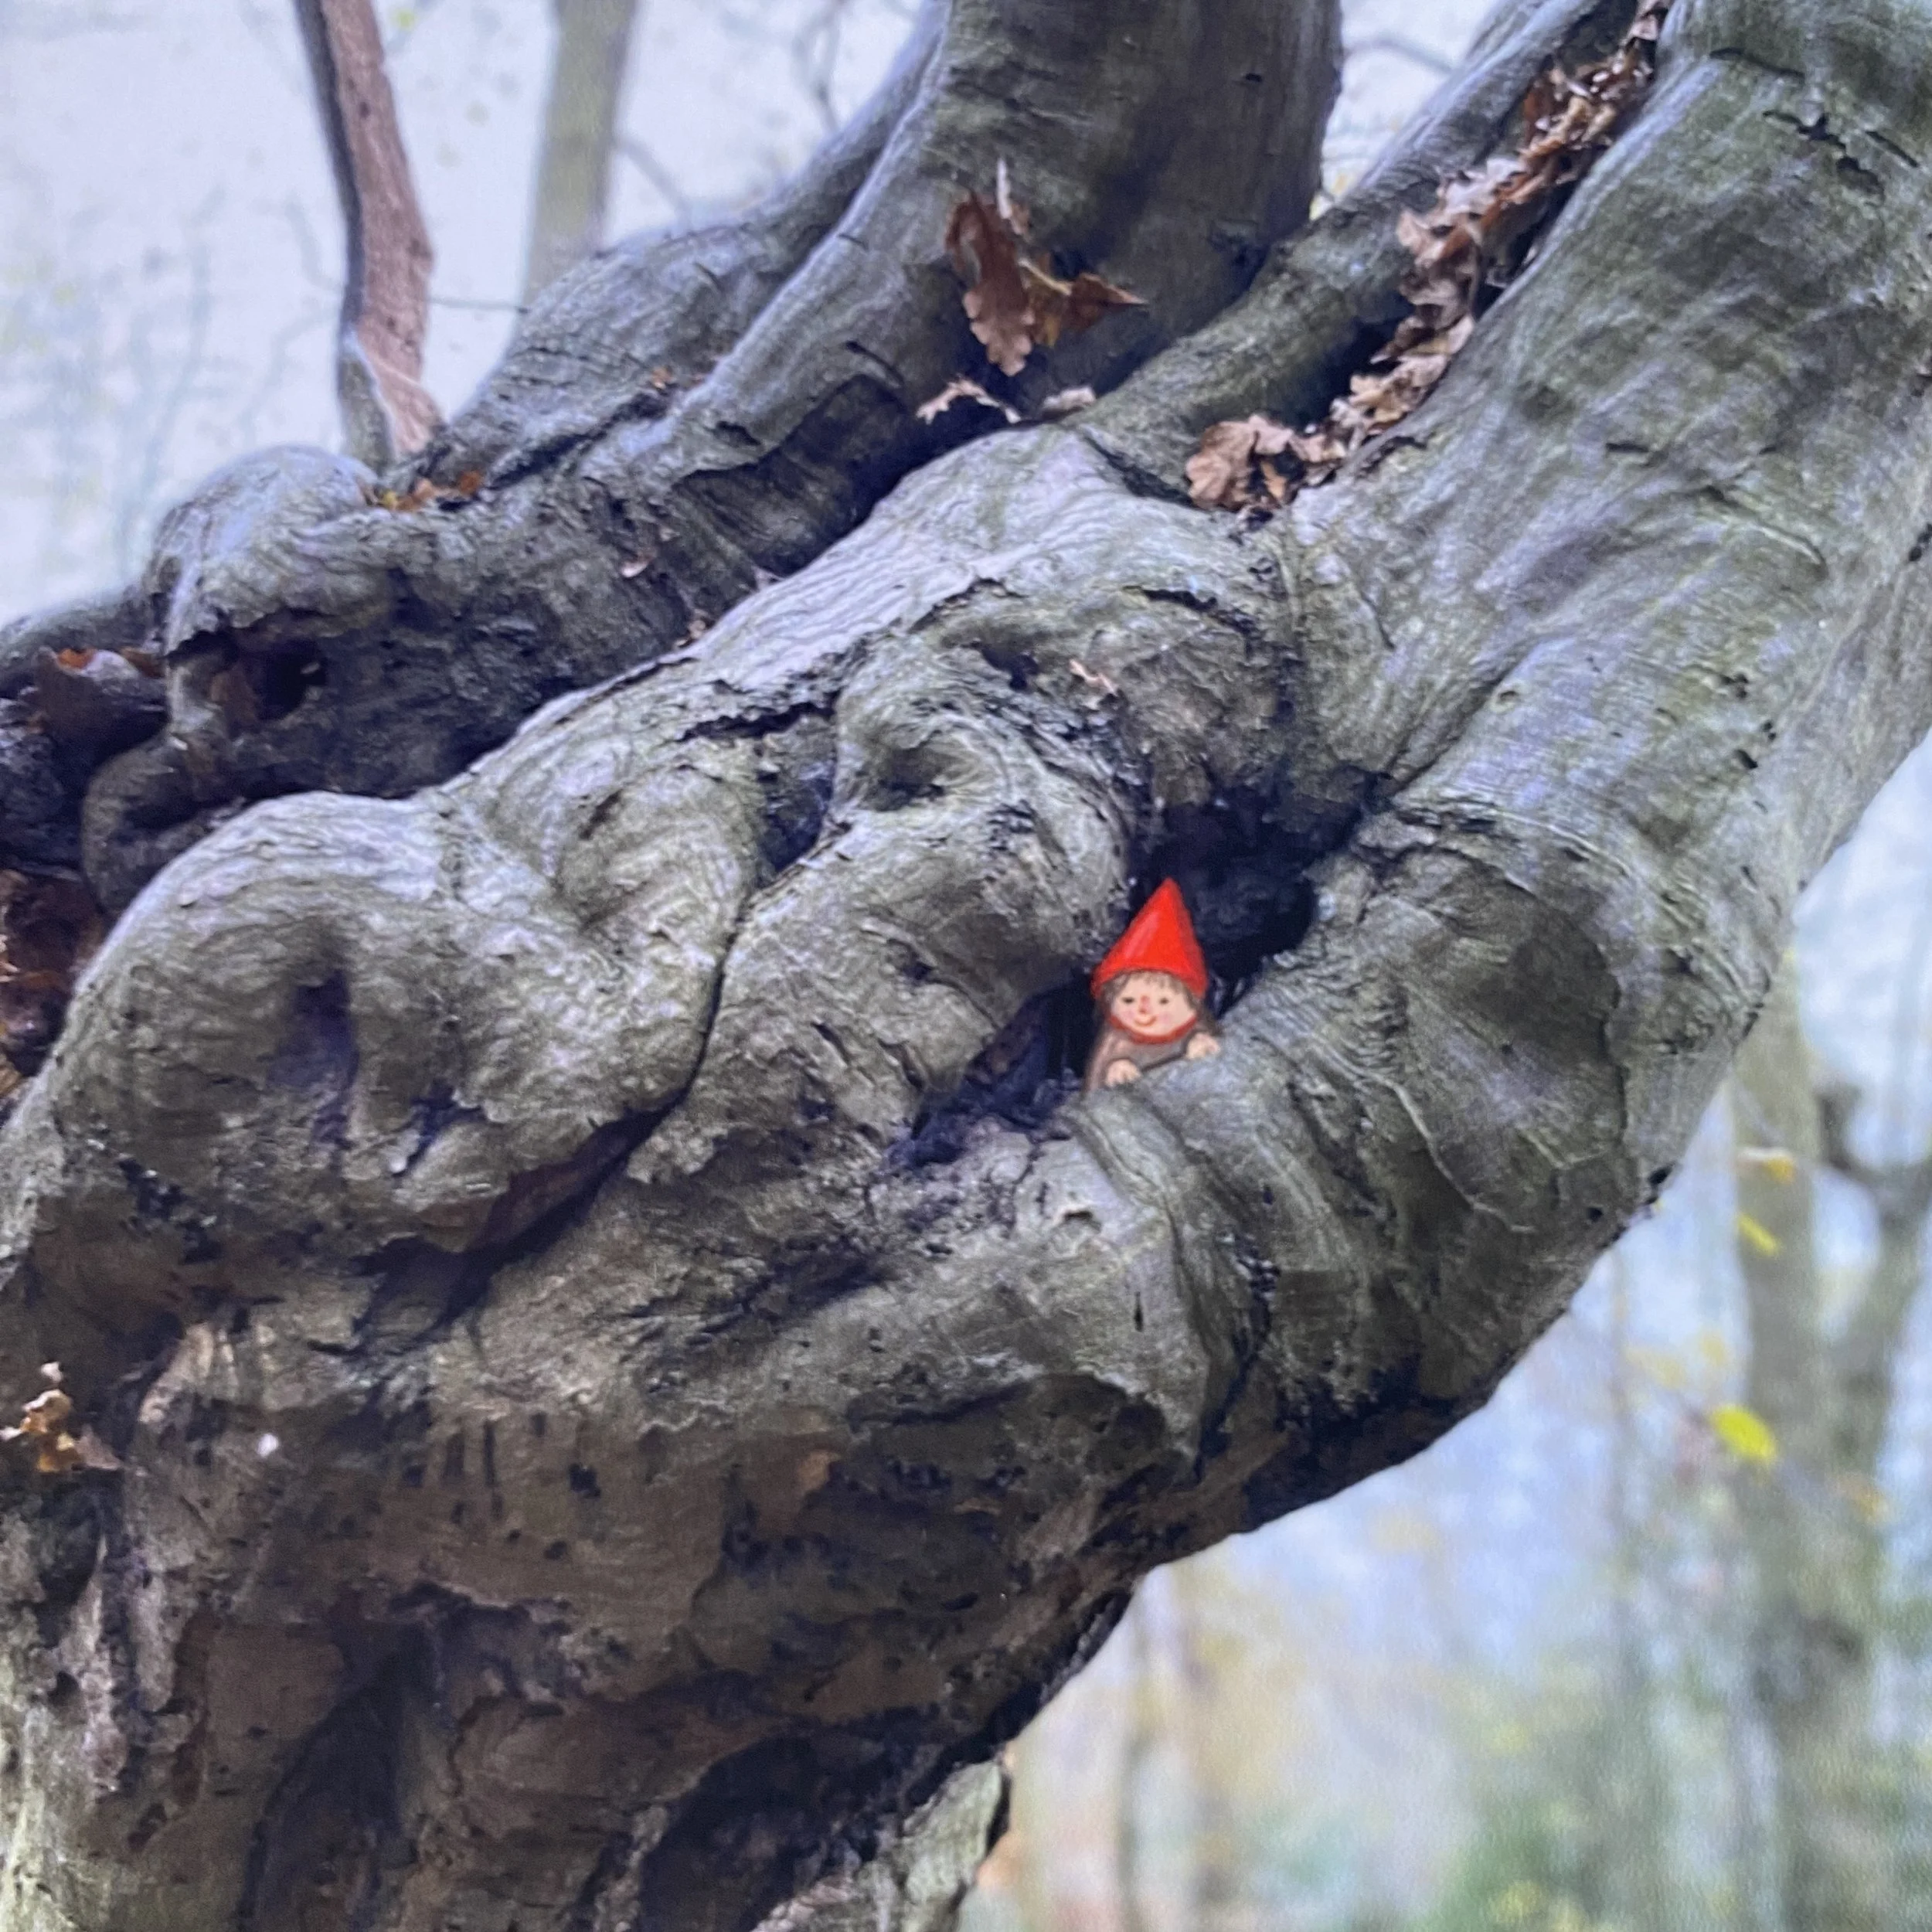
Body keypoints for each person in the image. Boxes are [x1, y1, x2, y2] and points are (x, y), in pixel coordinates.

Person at [1083, 879, 1220, 1093]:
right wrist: (1108, 1074)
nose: (1144, 1010)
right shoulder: (1116, 1040)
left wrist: (1203, 1042)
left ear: (1192, 1003)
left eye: (1164, 1001)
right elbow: (1089, 1093)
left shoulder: (1195, 1026)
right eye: (1129, 1000)